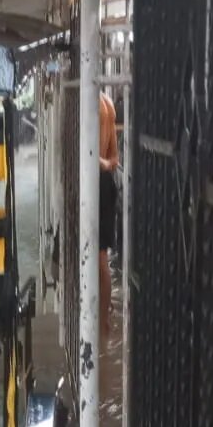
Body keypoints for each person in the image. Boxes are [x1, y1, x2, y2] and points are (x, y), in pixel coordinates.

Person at [98, 91, 120, 336]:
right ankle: (104, 317)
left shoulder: (90, 102)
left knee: (97, 258)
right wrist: (103, 163)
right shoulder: (108, 103)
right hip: (107, 182)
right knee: (101, 256)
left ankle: (101, 317)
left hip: (96, 184)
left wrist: (96, 161)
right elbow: (114, 159)